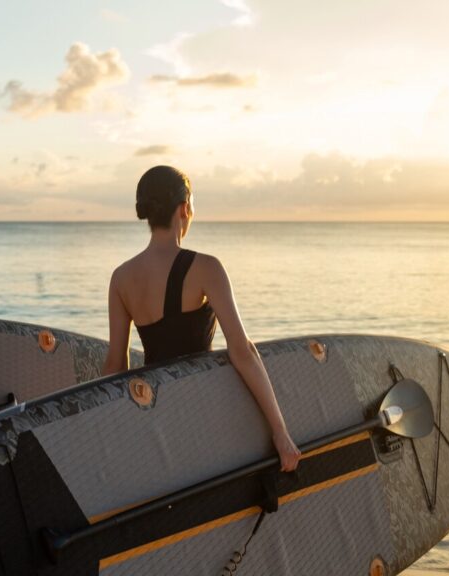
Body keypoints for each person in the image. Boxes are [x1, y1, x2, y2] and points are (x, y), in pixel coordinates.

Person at [102, 165, 300, 472]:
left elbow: (115, 365)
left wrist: (112, 435)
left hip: (154, 415)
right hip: (200, 413)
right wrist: (280, 432)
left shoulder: (121, 277)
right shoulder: (206, 268)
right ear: (184, 208)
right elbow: (242, 350)